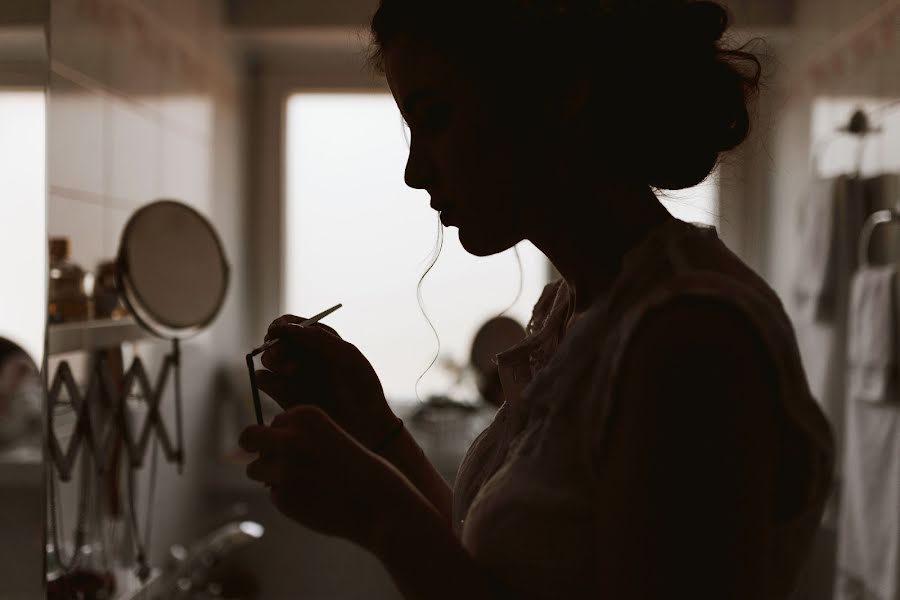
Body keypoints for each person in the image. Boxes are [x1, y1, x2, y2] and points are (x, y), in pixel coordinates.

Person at [238, 1, 835, 598]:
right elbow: (504, 572)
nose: (415, 171)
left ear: (561, 89)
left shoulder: (690, 340)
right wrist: (376, 429)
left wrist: (382, 517)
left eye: (436, 117)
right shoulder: (572, 314)